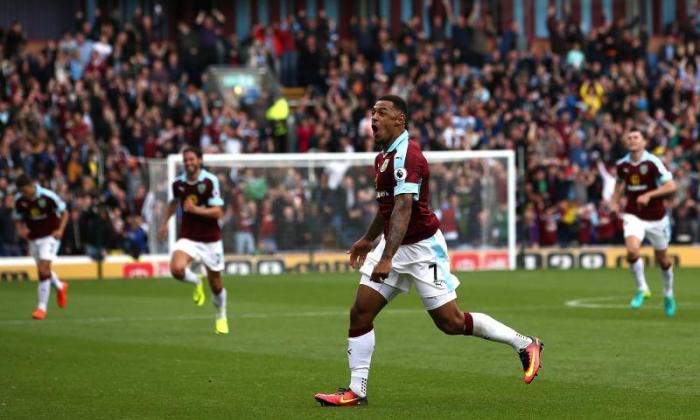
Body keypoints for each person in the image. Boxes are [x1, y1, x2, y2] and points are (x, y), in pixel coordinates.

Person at [314, 96, 543, 407]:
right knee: (360, 312)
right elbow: (388, 207)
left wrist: (386, 257)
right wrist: (369, 239)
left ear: (400, 121)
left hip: (422, 249)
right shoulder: (384, 156)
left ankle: (525, 343)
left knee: (450, 323)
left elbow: (405, 208)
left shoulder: (408, 156)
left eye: (382, 113)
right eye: (372, 113)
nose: (374, 119)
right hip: (393, 246)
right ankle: (357, 391)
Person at [158, 146, 229, 334]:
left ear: (199, 160)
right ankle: (196, 281)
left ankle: (221, 314)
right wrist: (165, 223)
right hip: (189, 237)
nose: (188, 163)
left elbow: (218, 212)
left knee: (216, 286)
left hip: (211, 240)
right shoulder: (178, 183)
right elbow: (174, 202)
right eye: (186, 160)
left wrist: (196, 209)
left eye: (192, 159)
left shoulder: (210, 181)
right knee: (176, 269)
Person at [609, 130, 678, 316]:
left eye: (636, 137)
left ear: (644, 142)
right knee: (632, 251)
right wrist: (613, 203)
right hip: (634, 216)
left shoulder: (653, 162)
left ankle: (668, 294)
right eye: (629, 138)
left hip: (657, 218)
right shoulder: (622, 164)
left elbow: (672, 185)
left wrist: (649, 194)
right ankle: (642, 289)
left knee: (663, 260)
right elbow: (619, 185)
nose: (632, 140)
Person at [13, 174, 69, 320]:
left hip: (50, 236)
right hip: (34, 238)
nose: (23, 194)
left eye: (25, 191)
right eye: (21, 192)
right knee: (44, 270)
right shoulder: (19, 200)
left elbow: (64, 213)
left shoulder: (48, 196)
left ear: (31, 185)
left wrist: (60, 230)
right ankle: (60, 286)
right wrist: (21, 229)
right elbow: (17, 218)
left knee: (43, 270)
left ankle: (41, 308)